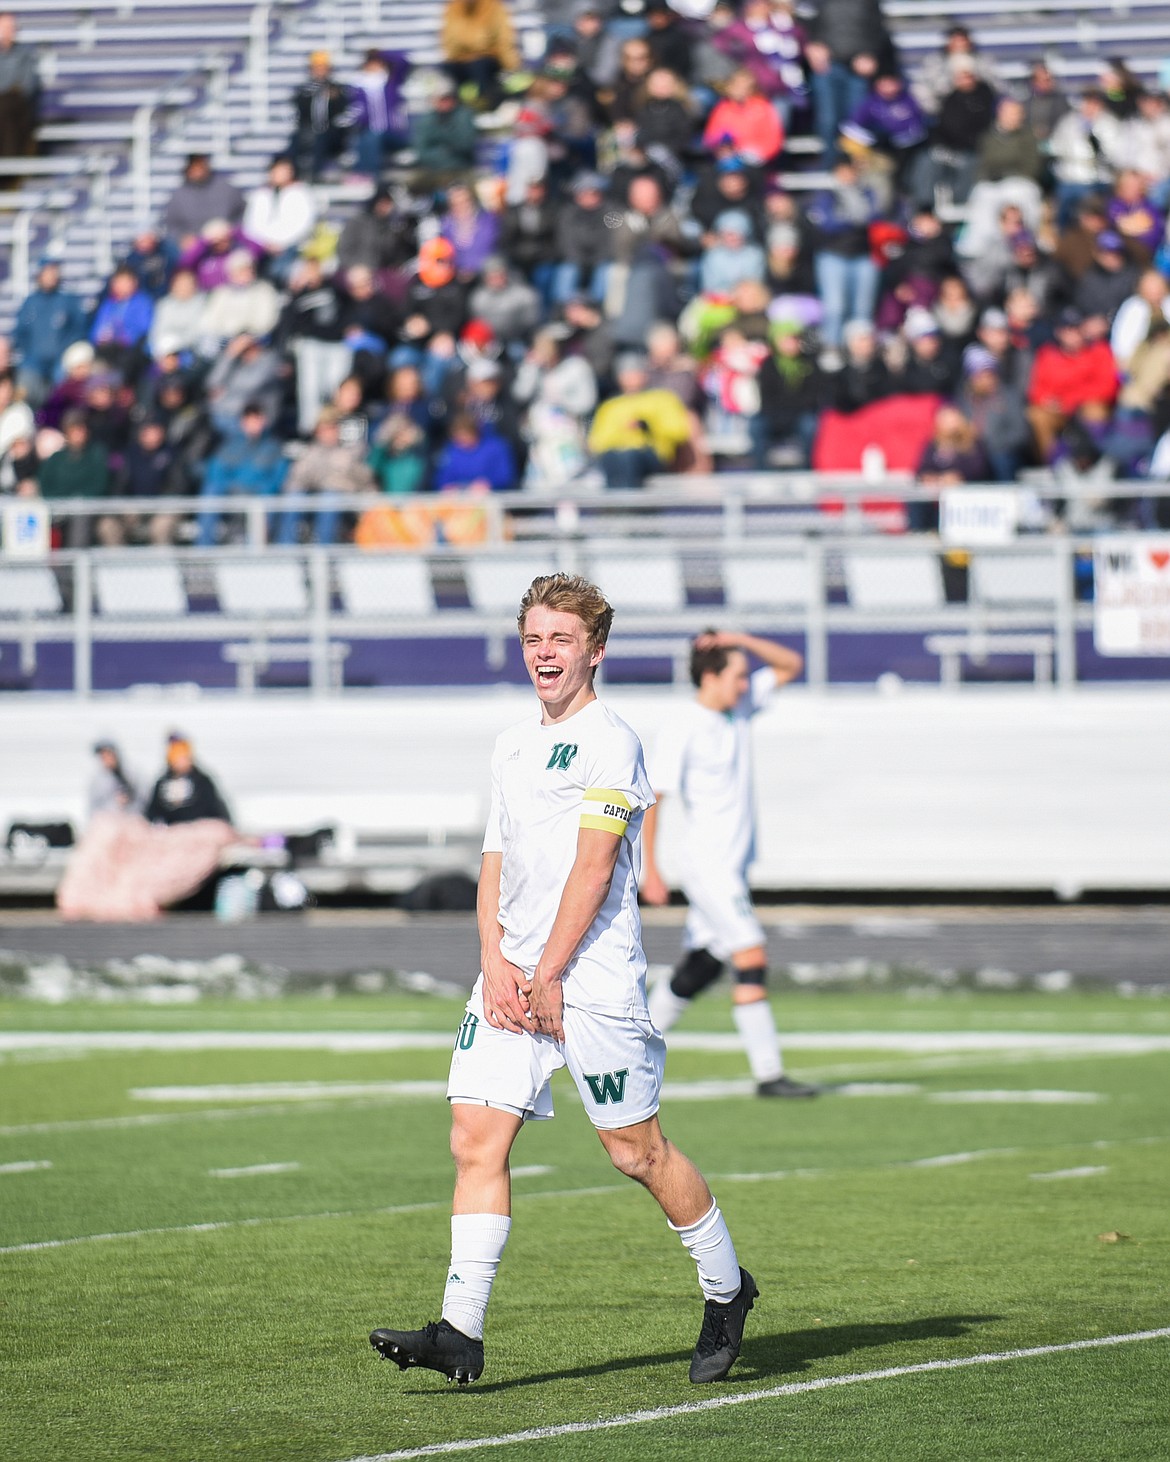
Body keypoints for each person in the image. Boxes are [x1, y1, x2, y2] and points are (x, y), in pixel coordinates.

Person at [369, 573, 758, 1387]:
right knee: (474, 1139)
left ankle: (727, 1290)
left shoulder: (612, 740)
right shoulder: (510, 744)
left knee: (636, 1152)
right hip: (511, 975)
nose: (545, 654)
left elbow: (595, 865)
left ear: (595, 651)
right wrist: (494, 959)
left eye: (561, 640)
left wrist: (548, 973)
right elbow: (494, 861)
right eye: (534, 639)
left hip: (591, 980)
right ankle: (459, 1331)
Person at [639, 630, 814, 1097]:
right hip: (708, 866)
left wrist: (740, 639)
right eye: (737, 675)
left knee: (703, 966)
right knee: (750, 954)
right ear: (712, 677)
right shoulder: (684, 727)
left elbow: (791, 664)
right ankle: (770, 1075)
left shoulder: (738, 708)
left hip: (731, 867)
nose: (746, 684)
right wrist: (649, 870)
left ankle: (636, 1046)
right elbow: (654, 798)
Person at [145, 733, 232, 825]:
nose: (180, 761)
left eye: (183, 756)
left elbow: (217, 809)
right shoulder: (162, 784)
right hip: (172, 833)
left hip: (201, 830)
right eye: (176, 757)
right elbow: (152, 813)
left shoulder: (202, 781)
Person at [0, 12, 39, 161]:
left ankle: (8, 166)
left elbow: (26, 87)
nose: (10, 31)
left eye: (12, 27)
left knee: (6, 105)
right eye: (5, 27)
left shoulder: (25, 54)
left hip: (15, 108)